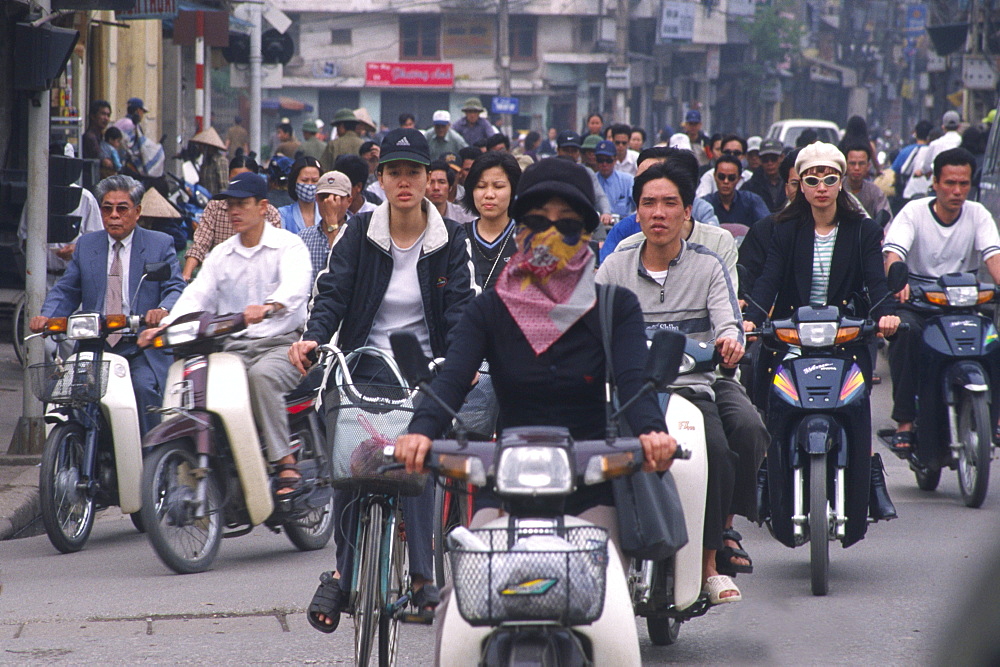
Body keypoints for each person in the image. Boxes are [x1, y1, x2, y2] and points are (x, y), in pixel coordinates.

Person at [392, 158, 681, 613]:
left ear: (587, 233)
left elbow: (633, 382)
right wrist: (420, 431)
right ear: (519, 229)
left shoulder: (615, 307)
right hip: (505, 482)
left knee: (609, 608)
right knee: (462, 610)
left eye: (566, 226)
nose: (549, 237)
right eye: (536, 223)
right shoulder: (489, 308)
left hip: (591, 484)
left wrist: (652, 432)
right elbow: (452, 378)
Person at [288, 128, 479, 633]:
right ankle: (343, 572)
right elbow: (332, 293)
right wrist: (313, 338)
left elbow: (462, 311)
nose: (403, 181)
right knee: (354, 454)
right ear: (381, 178)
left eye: (413, 172)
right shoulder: (360, 231)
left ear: (428, 178)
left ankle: (421, 577)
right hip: (365, 360)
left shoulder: (451, 239)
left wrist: (461, 361)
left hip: (424, 367)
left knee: (414, 457)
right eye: (393, 172)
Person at [597, 161, 767, 597]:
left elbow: (728, 322)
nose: (659, 213)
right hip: (629, 390)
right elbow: (591, 328)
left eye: (669, 203)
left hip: (695, 386)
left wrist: (730, 341)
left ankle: (712, 560)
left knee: (727, 443)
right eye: (648, 203)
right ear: (636, 212)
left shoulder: (709, 265)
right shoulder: (614, 268)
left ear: (687, 212)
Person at [744, 142, 900, 536]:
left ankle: (869, 481)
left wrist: (884, 316)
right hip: (792, 337)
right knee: (771, 402)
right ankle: (770, 476)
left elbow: (874, 280)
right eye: (811, 179)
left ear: (841, 181)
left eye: (829, 178)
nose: (820, 187)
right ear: (800, 184)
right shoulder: (784, 229)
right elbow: (768, 281)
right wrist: (750, 320)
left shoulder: (863, 229)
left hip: (847, 337)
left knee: (856, 404)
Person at [140, 171, 311, 499]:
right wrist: (164, 327)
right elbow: (196, 296)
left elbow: (296, 287)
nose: (234, 211)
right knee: (201, 387)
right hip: (231, 349)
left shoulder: (288, 246)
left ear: (263, 207)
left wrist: (269, 306)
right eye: (229, 205)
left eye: (242, 204)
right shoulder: (221, 255)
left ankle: (284, 459)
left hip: (282, 344)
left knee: (261, 377)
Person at [32, 175, 185, 435]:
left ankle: (152, 463)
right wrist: (46, 316)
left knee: (144, 389)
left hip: (139, 346)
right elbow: (68, 289)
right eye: (107, 208)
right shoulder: (87, 245)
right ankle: (73, 453)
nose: (114, 215)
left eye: (122, 208)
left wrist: (163, 310)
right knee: (71, 395)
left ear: (137, 212)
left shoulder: (160, 244)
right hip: (94, 343)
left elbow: (175, 287)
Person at [882, 147, 1000, 456]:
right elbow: (894, 253)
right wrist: (899, 278)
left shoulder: (979, 215)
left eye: (963, 184)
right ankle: (905, 422)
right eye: (950, 183)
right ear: (934, 182)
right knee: (905, 333)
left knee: (994, 341)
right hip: (919, 305)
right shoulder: (913, 212)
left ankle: (995, 414)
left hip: (966, 307)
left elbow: (994, 258)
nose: (957, 191)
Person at [600, 147, 721, 260]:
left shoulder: (716, 244)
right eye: (640, 180)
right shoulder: (624, 238)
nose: (658, 213)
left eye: (655, 175)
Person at [182, 155, 282, 282]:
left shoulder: (272, 216)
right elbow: (200, 244)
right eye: (235, 179)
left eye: (246, 180)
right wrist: (186, 275)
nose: (235, 211)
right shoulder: (215, 208)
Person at [739, 148, 800, 293]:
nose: (804, 190)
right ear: (786, 188)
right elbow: (748, 284)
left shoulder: (849, 227)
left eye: (811, 181)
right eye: (796, 184)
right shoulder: (764, 230)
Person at [461, 151, 521, 290]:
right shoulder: (458, 237)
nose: (489, 194)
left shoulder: (527, 238)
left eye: (498, 186)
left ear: (513, 190)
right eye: (481, 186)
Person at [299, 171, 352, 286]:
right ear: (316, 199)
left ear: (349, 201)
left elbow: (342, 271)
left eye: (336, 198)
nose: (329, 203)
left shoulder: (359, 234)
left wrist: (332, 222)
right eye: (324, 197)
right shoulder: (303, 238)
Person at [556, 131, 613, 226]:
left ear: (578, 153)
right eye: (566, 150)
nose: (570, 154)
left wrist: (606, 213)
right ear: (558, 150)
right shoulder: (548, 169)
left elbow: (599, 196)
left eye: (574, 151)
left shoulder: (586, 172)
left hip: (581, 220)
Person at [703, 156, 770, 226]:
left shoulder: (752, 201)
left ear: (739, 178)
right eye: (721, 177)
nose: (726, 181)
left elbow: (767, 226)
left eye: (731, 178)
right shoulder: (704, 204)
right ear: (715, 176)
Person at [842, 143, 891, 218]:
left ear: (868, 166)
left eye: (861, 163)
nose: (857, 168)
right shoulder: (836, 188)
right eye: (852, 163)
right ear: (845, 165)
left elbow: (886, 220)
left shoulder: (876, 193)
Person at [278, 156, 322, 234]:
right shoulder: (283, 214)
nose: (309, 185)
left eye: (314, 180)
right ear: (294, 182)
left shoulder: (326, 213)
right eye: (305, 180)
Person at [893, 120, 934, 202]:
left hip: (910, 194)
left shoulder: (906, 151)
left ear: (915, 133)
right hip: (930, 194)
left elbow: (897, 170)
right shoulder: (934, 150)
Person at [742, 139, 786, 212]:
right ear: (760, 160)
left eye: (773, 159)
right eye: (765, 159)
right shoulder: (749, 186)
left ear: (781, 157)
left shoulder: (792, 182)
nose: (770, 163)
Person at [426, 159, 476, 224]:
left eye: (442, 182)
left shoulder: (466, 217)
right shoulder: (413, 216)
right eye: (431, 182)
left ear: (450, 187)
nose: (436, 188)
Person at [334, 153, 380, 221]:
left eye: (343, 186)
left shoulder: (376, 214)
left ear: (358, 187)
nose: (338, 191)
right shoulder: (332, 212)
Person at [594, 140, 634, 217]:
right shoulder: (591, 181)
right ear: (595, 161)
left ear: (615, 160)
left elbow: (638, 204)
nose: (604, 164)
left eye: (608, 160)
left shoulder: (628, 180)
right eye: (600, 160)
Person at [919, 111, 963, 177]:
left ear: (943, 127)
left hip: (940, 182)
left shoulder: (934, 144)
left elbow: (926, 167)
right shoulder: (962, 142)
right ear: (959, 126)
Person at [190, 127, 230, 196]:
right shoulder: (205, 162)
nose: (200, 148)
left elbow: (224, 186)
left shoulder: (221, 161)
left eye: (202, 146)